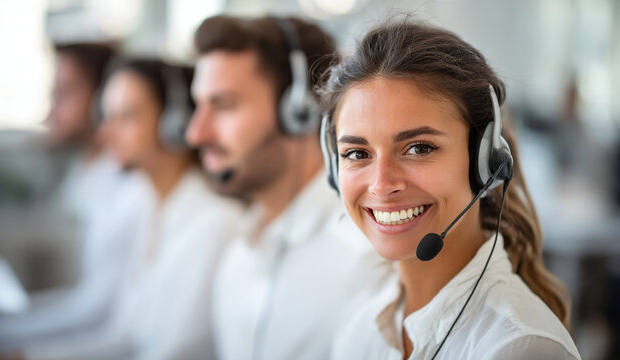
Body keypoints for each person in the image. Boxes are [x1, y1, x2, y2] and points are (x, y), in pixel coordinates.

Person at [319, 18, 582, 359]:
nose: (382, 185)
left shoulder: (518, 348)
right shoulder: (359, 331)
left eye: (419, 148)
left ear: (484, 161)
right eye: (357, 153)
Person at [186, 15, 392, 360]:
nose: (196, 133)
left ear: (299, 110)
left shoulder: (364, 257)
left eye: (223, 106)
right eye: (197, 106)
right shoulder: (238, 255)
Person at [19, 58, 244, 360]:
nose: (106, 134)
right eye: (106, 117)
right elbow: (124, 337)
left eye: (126, 117)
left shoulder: (214, 223)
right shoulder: (147, 207)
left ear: (173, 124)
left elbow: (172, 354)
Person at [0, 42, 141, 351]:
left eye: (63, 95)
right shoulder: (83, 173)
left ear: (102, 100)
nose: (51, 110)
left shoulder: (126, 190)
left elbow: (94, 312)